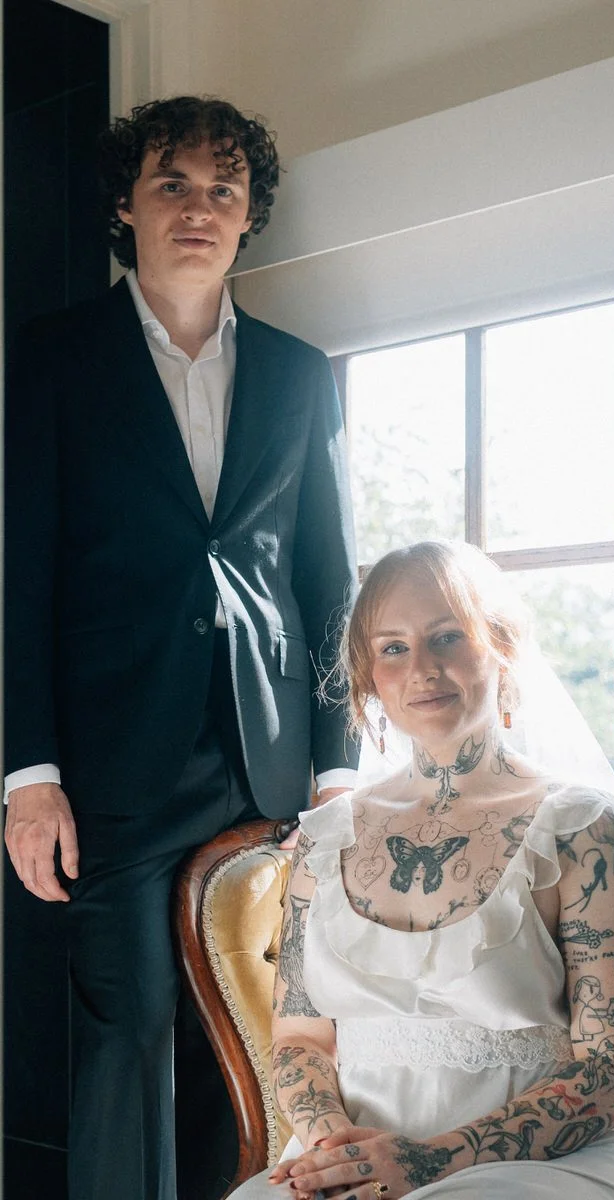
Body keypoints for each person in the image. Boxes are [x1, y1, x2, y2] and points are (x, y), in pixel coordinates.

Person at [4, 96, 359, 1200]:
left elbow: (324, 577)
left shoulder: (302, 374)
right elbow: (17, 577)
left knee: (241, 1037)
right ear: (126, 203)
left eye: (224, 190)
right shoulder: (48, 359)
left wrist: (339, 762)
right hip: (112, 770)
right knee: (130, 1027)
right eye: (172, 185)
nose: (199, 209)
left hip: (265, 767)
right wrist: (29, 775)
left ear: (248, 215)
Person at [231, 540, 614, 1200]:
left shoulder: (586, 832)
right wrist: (339, 1157)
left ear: (500, 647)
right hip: (351, 1161)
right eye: (392, 647)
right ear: (368, 675)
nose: (421, 669)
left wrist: (428, 1162)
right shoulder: (327, 841)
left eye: (447, 637)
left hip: (541, 1167)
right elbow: (300, 1037)